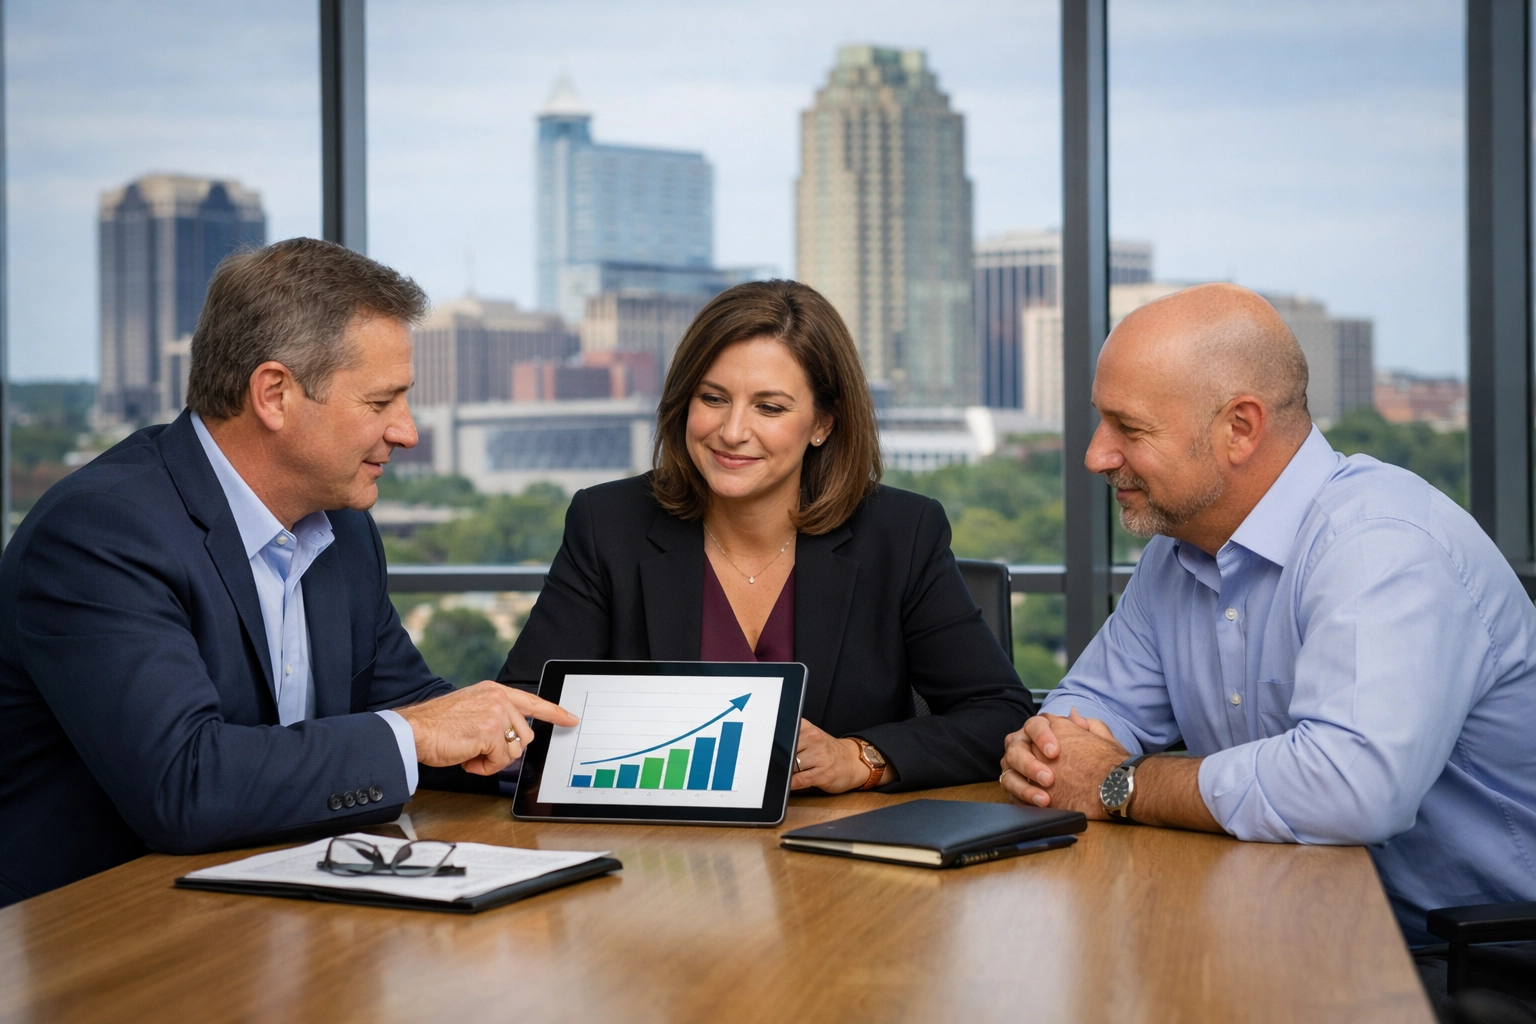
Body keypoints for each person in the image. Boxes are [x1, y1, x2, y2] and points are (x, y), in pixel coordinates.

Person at [0, 238, 575, 906]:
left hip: (265, 911)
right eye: (381, 402)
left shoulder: (342, 529)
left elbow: (418, 717)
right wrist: (417, 734)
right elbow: (186, 786)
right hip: (93, 934)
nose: (408, 432)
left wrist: (568, 764)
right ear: (274, 393)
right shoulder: (101, 532)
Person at [998, 284, 1536, 969]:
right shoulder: (1177, 554)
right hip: (1289, 921)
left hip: (1472, 959)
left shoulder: (1383, 544)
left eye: (1128, 429)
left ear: (1240, 429)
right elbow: (1082, 725)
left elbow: (1350, 789)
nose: (1097, 456)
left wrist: (1122, 782)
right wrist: (1051, 753)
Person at [501, 280, 1033, 791]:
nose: (732, 431)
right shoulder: (608, 522)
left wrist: (861, 758)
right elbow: (520, 711)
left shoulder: (900, 534)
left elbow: (999, 716)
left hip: (840, 862)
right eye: (712, 398)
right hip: (659, 856)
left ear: (823, 423)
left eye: (769, 407)